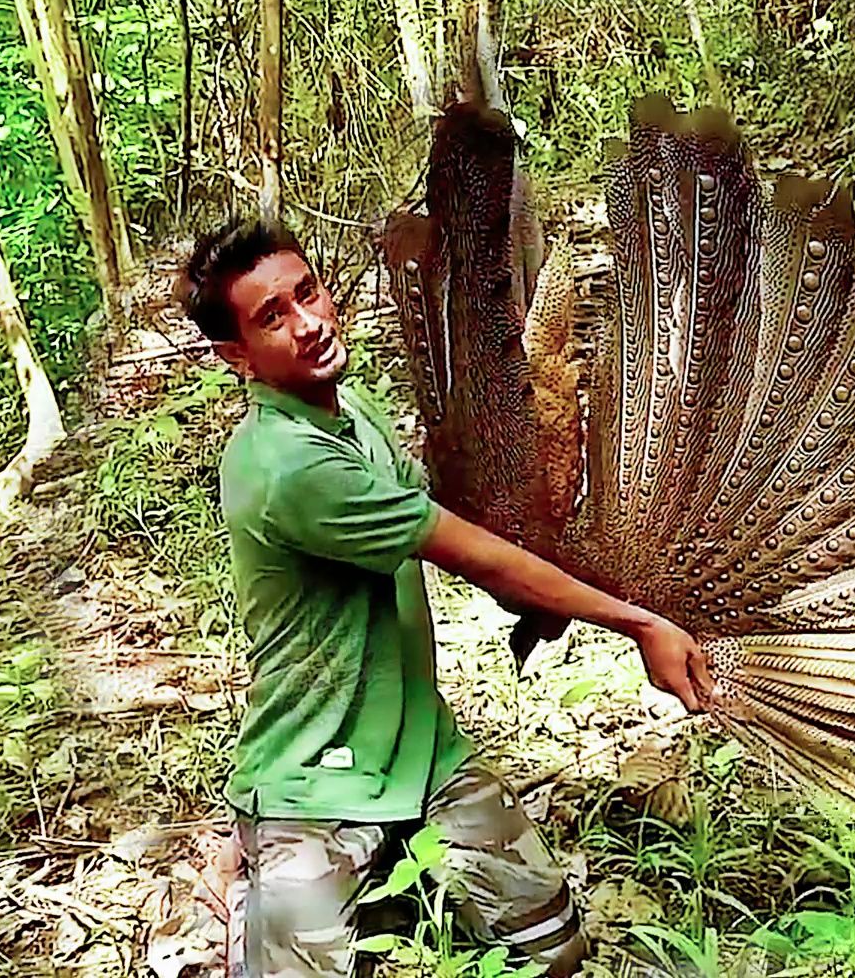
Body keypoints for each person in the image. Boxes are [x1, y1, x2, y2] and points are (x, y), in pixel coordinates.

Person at [176, 218, 715, 978]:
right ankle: (265, 880)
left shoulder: (350, 411)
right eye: (273, 317)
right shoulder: (286, 466)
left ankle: (389, 885)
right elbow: (472, 554)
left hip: (423, 750)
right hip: (315, 779)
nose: (309, 325)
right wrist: (637, 622)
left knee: (556, 951)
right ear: (237, 357)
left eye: (310, 293)